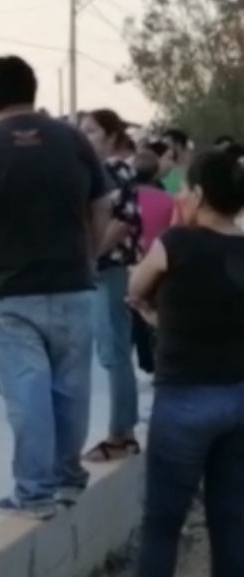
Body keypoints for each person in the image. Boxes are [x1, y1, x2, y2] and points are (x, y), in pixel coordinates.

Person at [0, 55, 110, 519]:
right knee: (71, 388)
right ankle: (69, 480)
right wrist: (87, 258)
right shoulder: (74, 141)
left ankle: (33, 492)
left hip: (7, 294)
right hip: (74, 286)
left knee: (27, 389)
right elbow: (102, 208)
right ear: (33, 91)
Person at [127, 149, 244, 577]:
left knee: (162, 523)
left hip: (184, 400)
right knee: (232, 521)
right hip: (239, 397)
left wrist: (152, 312)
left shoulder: (176, 243)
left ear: (197, 193)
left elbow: (137, 285)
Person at [79, 109, 143, 463]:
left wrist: (88, 259)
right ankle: (123, 431)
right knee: (112, 351)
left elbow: (120, 224)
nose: (84, 137)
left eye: (91, 131)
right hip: (104, 270)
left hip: (109, 270)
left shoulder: (113, 171)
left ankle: (122, 434)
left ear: (111, 136)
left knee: (114, 352)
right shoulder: (105, 171)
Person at [130, 151, 172, 375]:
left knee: (136, 311)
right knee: (157, 309)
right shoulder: (168, 200)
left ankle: (145, 358)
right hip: (160, 259)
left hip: (133, 260)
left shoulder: (127, 197)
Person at [158, 128, 190, 195]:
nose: (163, 148)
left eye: (166, 145)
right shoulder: (163, 168)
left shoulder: (191, 168)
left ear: (178, 145)